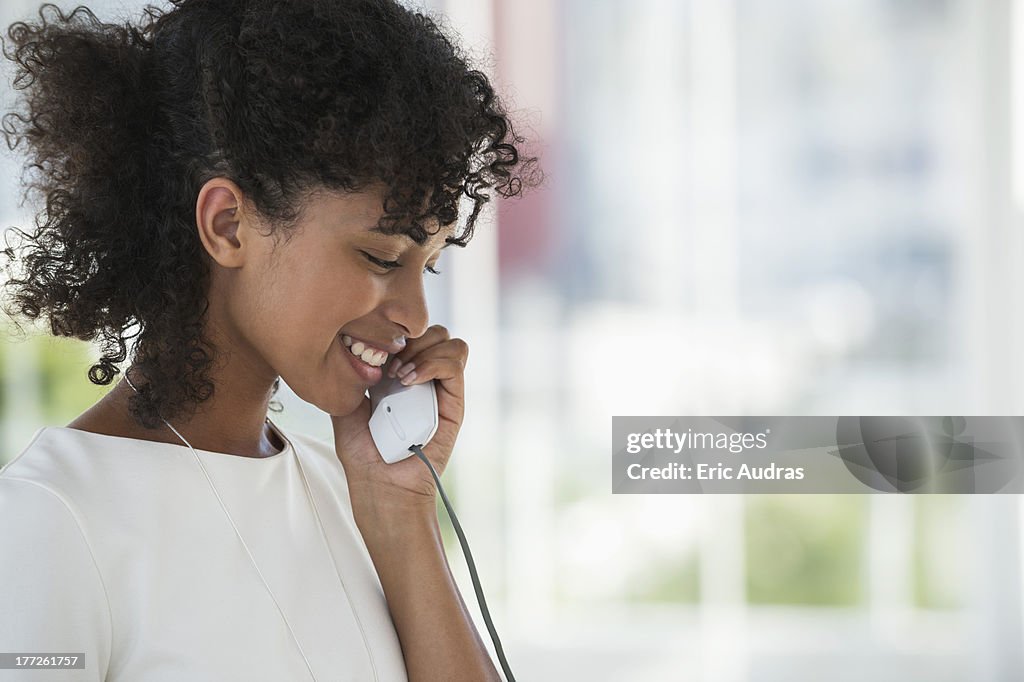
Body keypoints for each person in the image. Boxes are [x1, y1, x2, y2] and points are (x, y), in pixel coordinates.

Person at [0, 0, 537, 679]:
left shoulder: (350, 494)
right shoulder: (47, 522)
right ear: (228, 225)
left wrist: (402, 517)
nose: (413, 313)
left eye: (426, 265)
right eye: (380, 258)